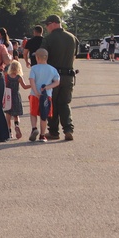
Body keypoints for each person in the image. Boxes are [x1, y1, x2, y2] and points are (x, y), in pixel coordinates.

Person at [42, 14, 79, 142]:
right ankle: (68, 130)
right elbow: (75, 56)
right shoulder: (73, 38)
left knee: (52, 104)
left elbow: (42, 58)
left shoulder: (48, 39)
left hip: (53, 77)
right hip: (68, 75)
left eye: (47, 25)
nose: (46, 27)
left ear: (53, 23)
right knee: (65, 103)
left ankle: (53, 132)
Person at [27, 48, 60, 143]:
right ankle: (42, 135)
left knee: (33, 113)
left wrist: (36, 91)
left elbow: (31, 80)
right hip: (47, 95)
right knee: (44, 115)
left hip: (34, 95)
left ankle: (34, 128)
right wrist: (48, 87)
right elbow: (57, 82)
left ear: (37, 58)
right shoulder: (52, 69)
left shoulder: (34, 68)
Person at [4, 59, 26, 140]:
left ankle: (9, 132)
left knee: (8, 115)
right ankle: (16, 125)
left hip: (8, 96)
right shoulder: (18, 77)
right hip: (16, 96)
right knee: (16, 115)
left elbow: (4, 86)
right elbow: (24, 86)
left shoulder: (7, 76)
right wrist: (32, 85)